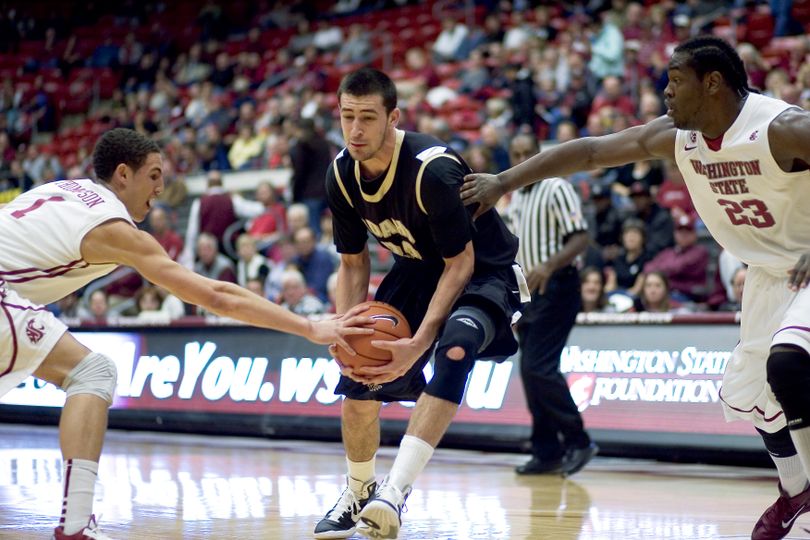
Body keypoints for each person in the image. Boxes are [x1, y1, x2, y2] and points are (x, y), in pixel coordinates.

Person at [461, 35, 810, 540]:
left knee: (788, 363)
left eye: (674, 80)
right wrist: (503, 182)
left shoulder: (782, 128)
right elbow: (591, 152)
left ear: (712, 84)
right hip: (769, 274)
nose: (664, 91)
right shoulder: (678, 136)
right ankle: (795, 490)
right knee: (748, 392)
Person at [0, 128, 372, 540]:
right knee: (94, 373)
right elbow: (216, 295)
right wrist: (309, 326)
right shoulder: (112, 227)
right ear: (123, 174)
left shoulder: (63, 190)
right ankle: (76, 526)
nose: (161, 188)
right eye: (154, 175)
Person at [315, 68, 526, 540]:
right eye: (347, 116)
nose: (355, 130)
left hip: (482, 270)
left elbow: (460, 263)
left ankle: (395, 492)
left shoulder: (432, 169)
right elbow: (353, 265)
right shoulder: (341, 174)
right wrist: (344, 326)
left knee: (454, 348)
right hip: (414, 270)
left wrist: (418, 342)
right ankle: (358, 491)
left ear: (394, 117)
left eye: (367, 118)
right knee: (358, 373)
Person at [503, 133, 597, 476]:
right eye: (517, 153)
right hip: (529, 294)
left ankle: (579, 440)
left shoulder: (555, 187)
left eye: (528, 153)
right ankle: (546, 450)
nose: (523, 158)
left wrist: (548, 265)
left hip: (558, 286)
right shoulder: (514, 199)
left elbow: (581, 237)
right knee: (530, 372)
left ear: (538, 155)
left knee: (538, 367)